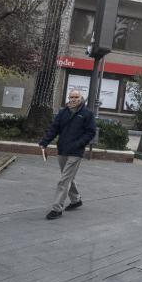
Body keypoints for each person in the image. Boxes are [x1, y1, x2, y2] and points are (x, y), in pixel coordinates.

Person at [39, 89, 96, 220]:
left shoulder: (87, 114)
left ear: (81, 98)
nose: (73, 99)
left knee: (63, 180)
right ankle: (76, 200)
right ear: (68, 98)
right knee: (67, 177)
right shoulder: (63, 112)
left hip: (76, 152)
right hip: (63, 150)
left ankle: (56, 209)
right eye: (71, 97)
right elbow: (54, 128)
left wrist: (79, 144)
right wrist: (44, 142)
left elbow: (91, 132)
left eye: (76, 97)